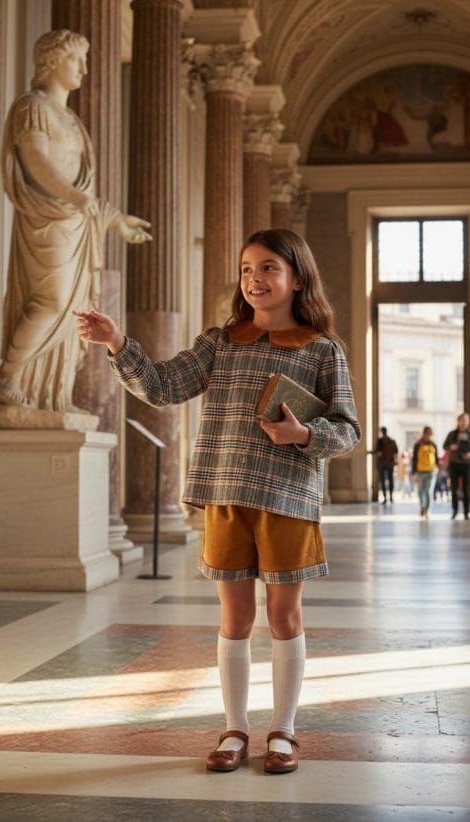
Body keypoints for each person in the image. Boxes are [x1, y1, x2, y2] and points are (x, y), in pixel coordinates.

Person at [74, 229, 361, 774]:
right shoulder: (220, 342)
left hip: (288, 498)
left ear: (297, 277)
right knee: (234, 617)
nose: (255, 278)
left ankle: (284, 731)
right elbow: (161, 386)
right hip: (225, 495)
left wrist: (303, 436)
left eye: (269, 268)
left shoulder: (322, 349)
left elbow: (348, 431)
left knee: (282, 614)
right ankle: (235, 730)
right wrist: (117, 342)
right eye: (247, 268)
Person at [0, 29, 151, 415]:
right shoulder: (32, 107)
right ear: (51, 60)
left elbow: (83, 190)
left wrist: (115, 222)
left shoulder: (72, 120)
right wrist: (78, 199)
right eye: (75, 59)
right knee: (53, 301)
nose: (83, 67)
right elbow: (37, 163)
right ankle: (9, 378)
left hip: (77, 224)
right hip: (48, 220)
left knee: (74, 313)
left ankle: (52, 398)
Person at [443, 413, 470, 520]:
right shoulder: (452, 434)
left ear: (469, 422)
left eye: (466, 420)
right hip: (454, 464)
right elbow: (444, 446)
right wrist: (451, 446)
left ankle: (466, 512)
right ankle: (455, 511)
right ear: (458, 421)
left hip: (466, 464)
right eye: (462, 420)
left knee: (467, 489)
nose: (464, 422)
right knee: (454, 488)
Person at [411, 426, 438, 518]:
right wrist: (413, 472)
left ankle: (427, 510)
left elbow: (436, 459)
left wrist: (437, 468)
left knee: (428, 491)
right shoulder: (418, 444)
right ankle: (422, 506)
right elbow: (414, 459)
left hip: (431, 471)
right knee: (420, 491)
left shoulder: (433, 444)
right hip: (420, 471)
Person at [376, 426, 398, 503]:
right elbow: (396, 452)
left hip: (386, 463)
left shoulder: (389, 441)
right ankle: (388, 497)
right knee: (387, 480)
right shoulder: (384, 441)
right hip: (386, 463)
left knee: (386, 480)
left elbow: (395, 452)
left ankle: (389, 497)